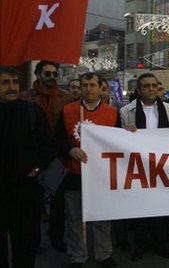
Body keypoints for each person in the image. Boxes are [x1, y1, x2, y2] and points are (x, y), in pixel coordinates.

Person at [55, 72, 119, 268]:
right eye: (85, 85)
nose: (88, 89)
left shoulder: (112, 113)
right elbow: (57, 140)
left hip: (101, 176)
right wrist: (70, 149)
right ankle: (77, 256)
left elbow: (119, 143)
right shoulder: (67, 111)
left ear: (101, 88)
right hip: (74, 173)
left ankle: (103, 253)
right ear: (80, 88)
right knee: (75, 219)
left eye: (92, 85)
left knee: (102, 218)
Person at [0, 66, 55, 268]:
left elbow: (49, 147)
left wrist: (38, 169)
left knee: (25, 245)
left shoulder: (32, 111)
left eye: (15, 82)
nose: (12, 87)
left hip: (26, 192)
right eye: (5, 83)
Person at [119, 73, 169, 261]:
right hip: (139, 167)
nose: (151, 89)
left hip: (162, 166)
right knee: (140, 209)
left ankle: (159, 243)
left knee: (161, 208)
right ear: (139, 90)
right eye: (146, 86)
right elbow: (119, 139)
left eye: (154, 85)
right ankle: (140, 245)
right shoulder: (126, 111)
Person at [19, 60, 74, 253]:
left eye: (55, 74)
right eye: (47, 74)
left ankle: (57, 238)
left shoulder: (66, 98)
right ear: (38, 75)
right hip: (33, 155)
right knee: (33, 202)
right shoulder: (24, 98)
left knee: (58, 202)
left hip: (58, 156)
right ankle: (33, 240)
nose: (51, 78)